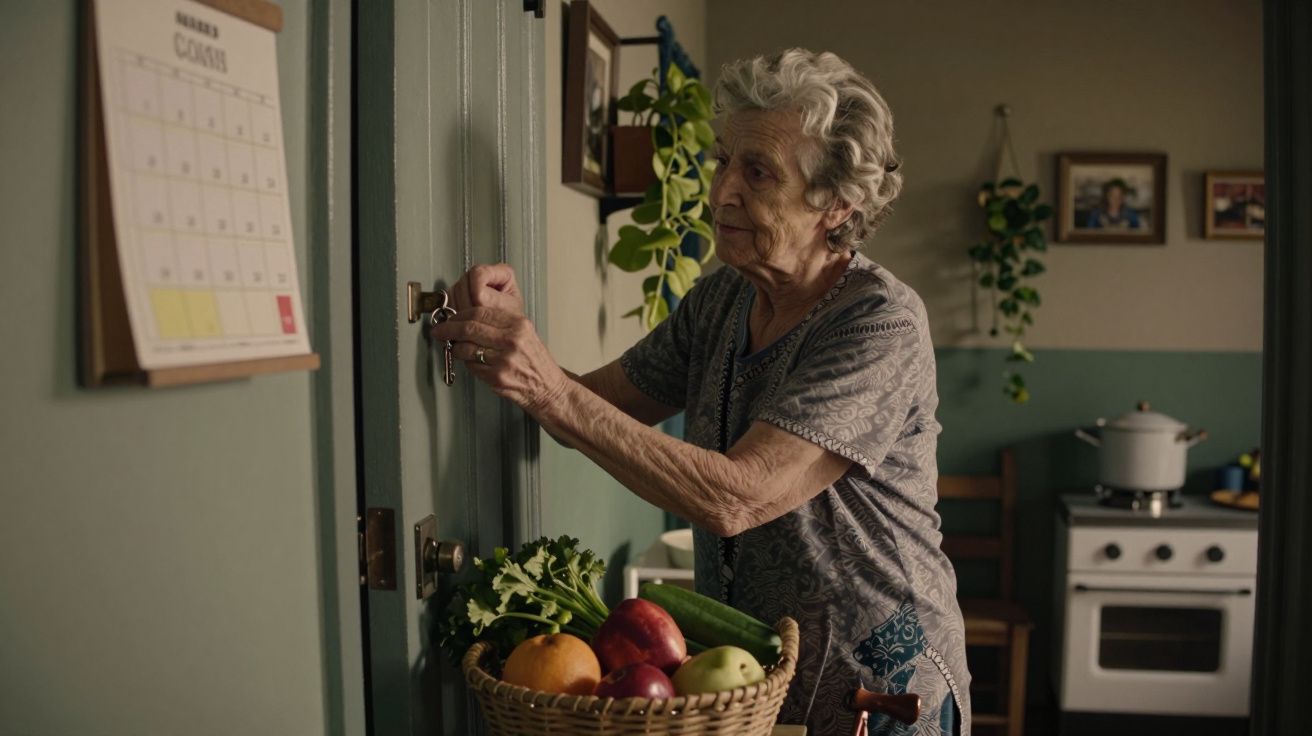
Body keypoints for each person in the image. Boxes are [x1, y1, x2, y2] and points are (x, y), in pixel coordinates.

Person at [433, 48, 970, 735]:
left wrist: (546, 388)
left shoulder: (878, 323)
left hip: (877, 686)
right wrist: (507, 339)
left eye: (757, 171)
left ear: (837, 204)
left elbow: (738, 496)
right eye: (722, 161)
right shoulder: (721, 298)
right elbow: (587, 410)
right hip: (751, 675)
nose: (721, 192)